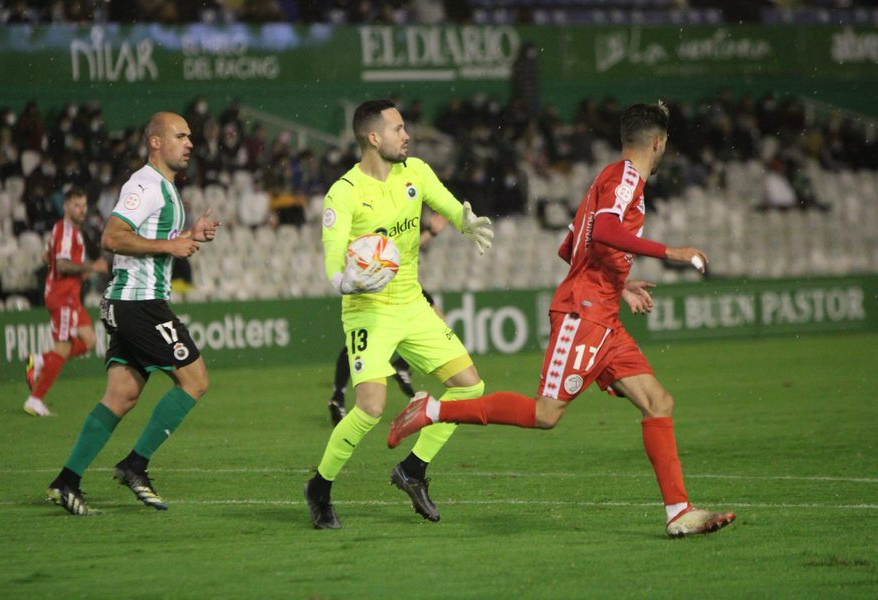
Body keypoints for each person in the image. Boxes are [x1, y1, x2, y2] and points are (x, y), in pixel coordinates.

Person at [388, 101, 737, 538]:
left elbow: (571, 246)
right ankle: (434, 408)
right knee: (546, 413)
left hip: (604, 312)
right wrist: (673, 252)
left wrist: (621, 284)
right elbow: (606, 233)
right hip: (584, 313)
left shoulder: (604, 181)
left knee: (657, 402)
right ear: (658, 142)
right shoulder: (626, 178)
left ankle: (678, 510)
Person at [305, 99, 494, 529]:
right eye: (399, 128)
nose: (407, 135)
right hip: (368, 310)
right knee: (370, 408)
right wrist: (346, 282)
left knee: (470, 387)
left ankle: (413, 470)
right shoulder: (345, 192)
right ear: (374, 137)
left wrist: (468, 224)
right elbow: (333, 263)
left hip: (412, 303)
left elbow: (449, 206)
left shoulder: (417, 172)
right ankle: (320, 487)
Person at [45, 111, 222, 515]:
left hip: (129, 303)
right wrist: (170, 247)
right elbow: (112, 236)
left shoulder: (166, 189)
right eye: (180, 136)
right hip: (137, 303)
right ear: (156, 142)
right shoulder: (145, 184)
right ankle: (134, 465)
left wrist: (189, 236)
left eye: (190, 136)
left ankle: (66, 480)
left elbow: (154, 239)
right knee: (194, 380)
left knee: (121, 395)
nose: (190, 143)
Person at [327, 212, 448, 426]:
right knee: (364, 340)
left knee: (359, 341)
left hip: (390, 283)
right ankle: (399, 368)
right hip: (388, 285)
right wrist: (430, 233)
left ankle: (339, 394)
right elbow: (391, 252)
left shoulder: (387, 210)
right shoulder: (381, 213)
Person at [23, 187, 108, 416]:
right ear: (66, 206)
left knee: (89, 341)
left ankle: (41, 361)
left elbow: (47, 256)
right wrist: (90, 267)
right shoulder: (67, 231)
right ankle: (35, 399)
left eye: (84, 205)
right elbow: (61, 264)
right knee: (63, 348)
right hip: (63, 297)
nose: (82, 210)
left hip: (69, 296)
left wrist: (79, 271)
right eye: (77, 205)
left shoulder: (64, 230)